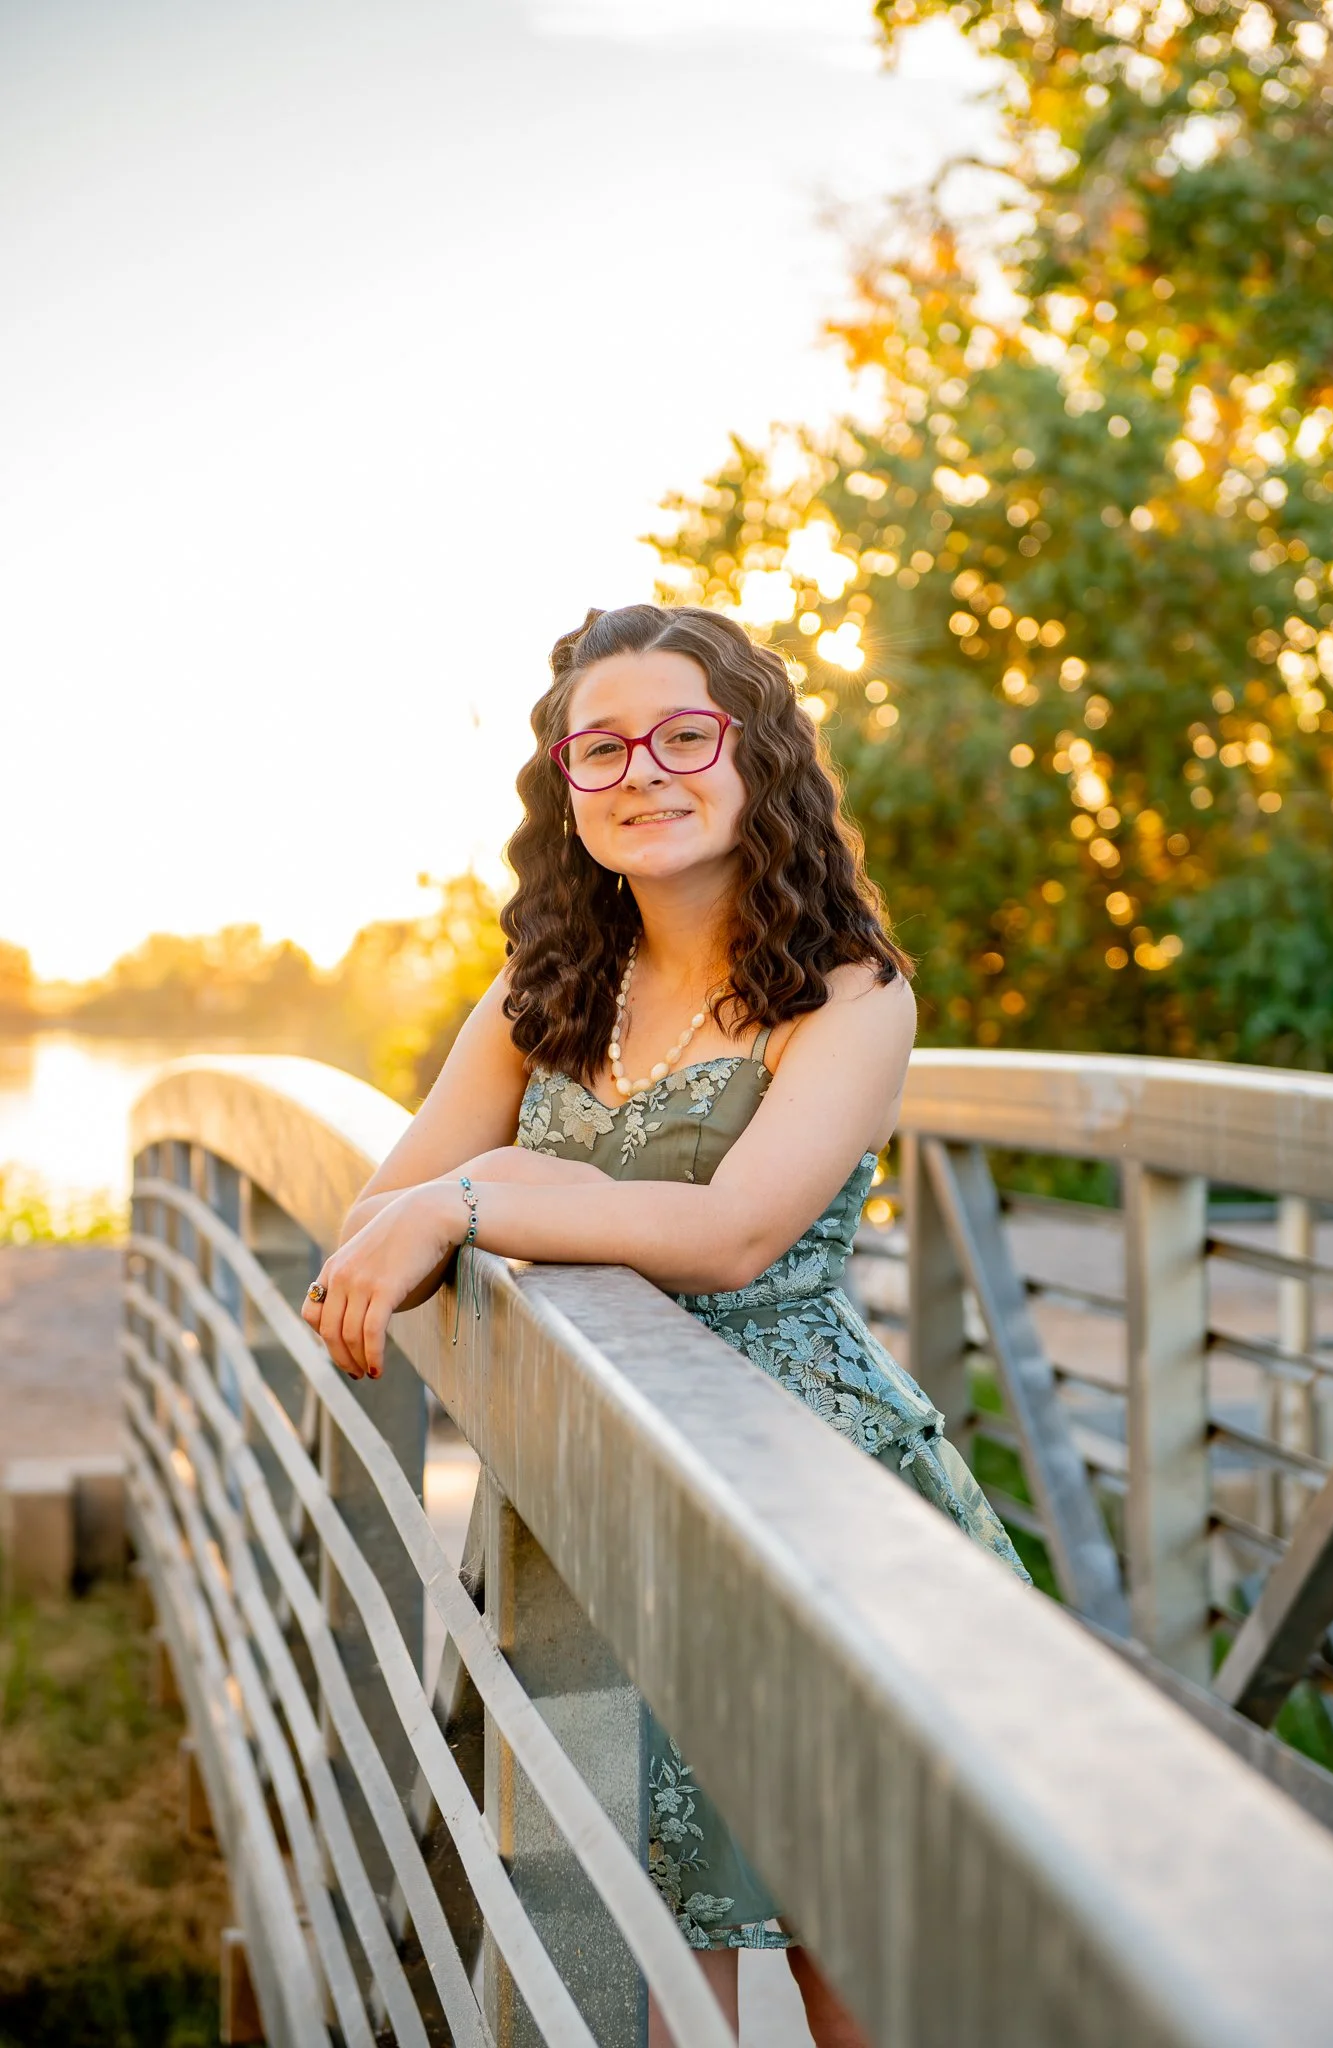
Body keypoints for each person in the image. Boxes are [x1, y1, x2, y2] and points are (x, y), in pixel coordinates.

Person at [303, 603, 1029, 2046]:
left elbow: (734, 1232)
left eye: (685, 734)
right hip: (582, 1511)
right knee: (620, 1961)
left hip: (810, 1504)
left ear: (757, 752)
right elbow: (373, 1226)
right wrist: (463, 1188)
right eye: (603, 748)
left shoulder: (848, 993)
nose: (646, 771)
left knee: (847, 1955)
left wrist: (490, 1192)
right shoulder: (541, 993)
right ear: (566, 790)